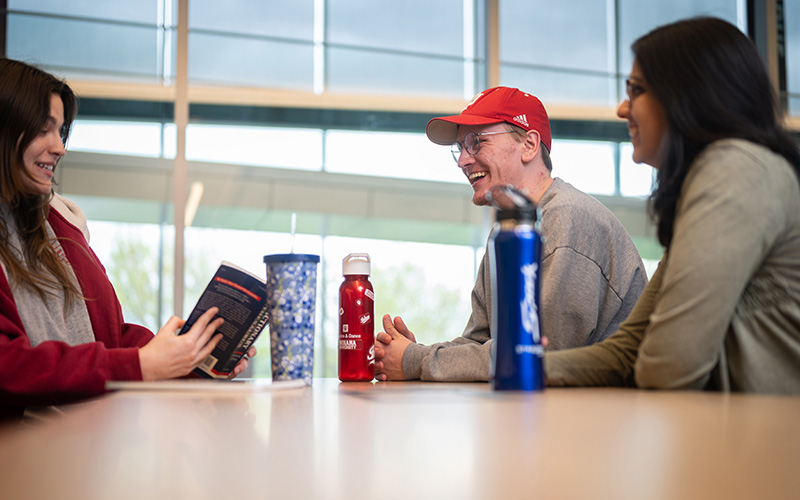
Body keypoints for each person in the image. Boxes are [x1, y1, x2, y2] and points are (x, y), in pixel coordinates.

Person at [545, 17, 800, 394]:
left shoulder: (735, 170)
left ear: (688, 95)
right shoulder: (716, 179)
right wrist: (522, 366)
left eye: (636, 90)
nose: (621, 108)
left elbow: (667, 367)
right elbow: (625, 354)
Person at [0, 58, 255, 420]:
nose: (60, 147)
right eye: (44, 129)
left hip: (87, 440)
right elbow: (8, 366)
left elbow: (109, 337)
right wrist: (143, 364)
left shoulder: (62, 221)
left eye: (61, 132)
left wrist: (189, 358)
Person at [375, 86, 648, 381]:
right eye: (460, 147)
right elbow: (480, 342)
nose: (462, 160)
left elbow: (534, 355)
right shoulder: (508, 232)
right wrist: (413, 354)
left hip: (604, 419)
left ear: (529, 145)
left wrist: (416, 360)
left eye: (476, 142)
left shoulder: (566, 218)